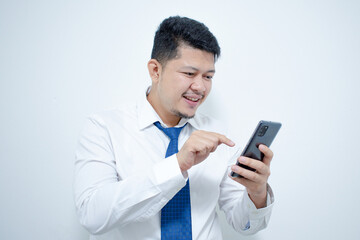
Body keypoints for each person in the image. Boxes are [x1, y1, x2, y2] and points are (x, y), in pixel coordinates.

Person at [74, 16, 274, 240]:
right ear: (155, 71)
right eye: (189, 74)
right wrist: (177, 165)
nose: (200, 87)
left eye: (208, 76)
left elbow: (243, 224)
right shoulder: (104, 128)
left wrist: (257, 193)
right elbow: (91, 215)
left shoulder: (219, 135)